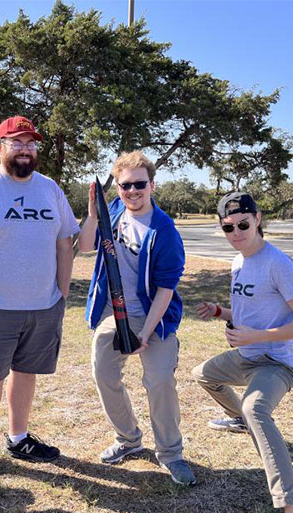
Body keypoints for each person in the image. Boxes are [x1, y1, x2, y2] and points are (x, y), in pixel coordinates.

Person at [0, 115, 79, 481]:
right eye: (16, 142)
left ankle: (19, 437)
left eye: (31, 143)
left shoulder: (50, 188)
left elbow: (64, 242)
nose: (25, 149)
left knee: (26, 374)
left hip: (43, 306)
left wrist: (61, 293)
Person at [192, 192, 293, 513]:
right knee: (202, 374)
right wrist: (221, 312)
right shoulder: (237, 262)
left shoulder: (278, 263)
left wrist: (257, 337)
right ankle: (240, 420)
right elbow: (251, 311)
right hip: (247, 355)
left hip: (277, 362)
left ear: (258, 219)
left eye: (243, 224)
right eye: (228, 227)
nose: (236, 232)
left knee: (256, 409)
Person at [77, 151, 196, 486]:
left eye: (139, 184)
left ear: (152, 185)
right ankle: (128, 439)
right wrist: (92, 214)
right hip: (114, 313)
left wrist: (146, 332)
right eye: (125, 185)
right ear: (117, 188)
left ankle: (171, 454)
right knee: (103, 371)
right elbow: (85, 247)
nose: (132, 191)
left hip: (154, 316)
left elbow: (165, 289)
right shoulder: (111, 212)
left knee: (158, 381)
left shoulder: (164, 231)